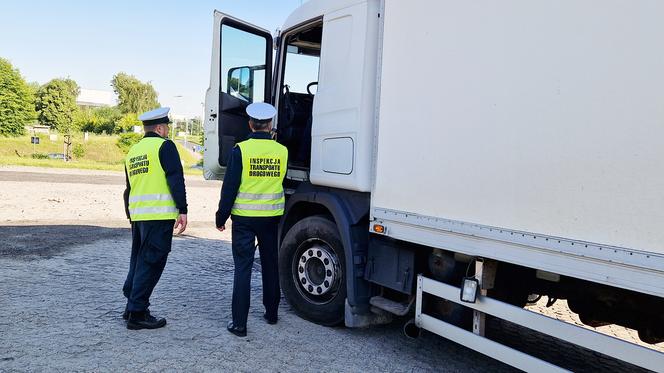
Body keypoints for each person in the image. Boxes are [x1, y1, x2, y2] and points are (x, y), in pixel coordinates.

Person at [216, 102, 288, 337]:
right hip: (270, 217)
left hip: (244, 219)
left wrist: (221, 216)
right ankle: (272, 313)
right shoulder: (282, 151)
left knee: (243, 268)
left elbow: (230, 188)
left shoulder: (241, 150)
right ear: (270, 125)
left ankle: (239, 324)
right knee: (270, 264)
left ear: (250, 124)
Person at [122, 107, 188, 330]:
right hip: (159, 215)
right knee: (152, 263)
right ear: (159, 128)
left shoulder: (133, 151)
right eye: (167, 127)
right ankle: (138, 313)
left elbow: (128, 189)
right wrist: (183, 208)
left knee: (139, 260)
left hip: (139, 215)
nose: (167, 131)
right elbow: (175, 178)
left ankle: (131, 304)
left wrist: (131, 215)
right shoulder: (165, 146)